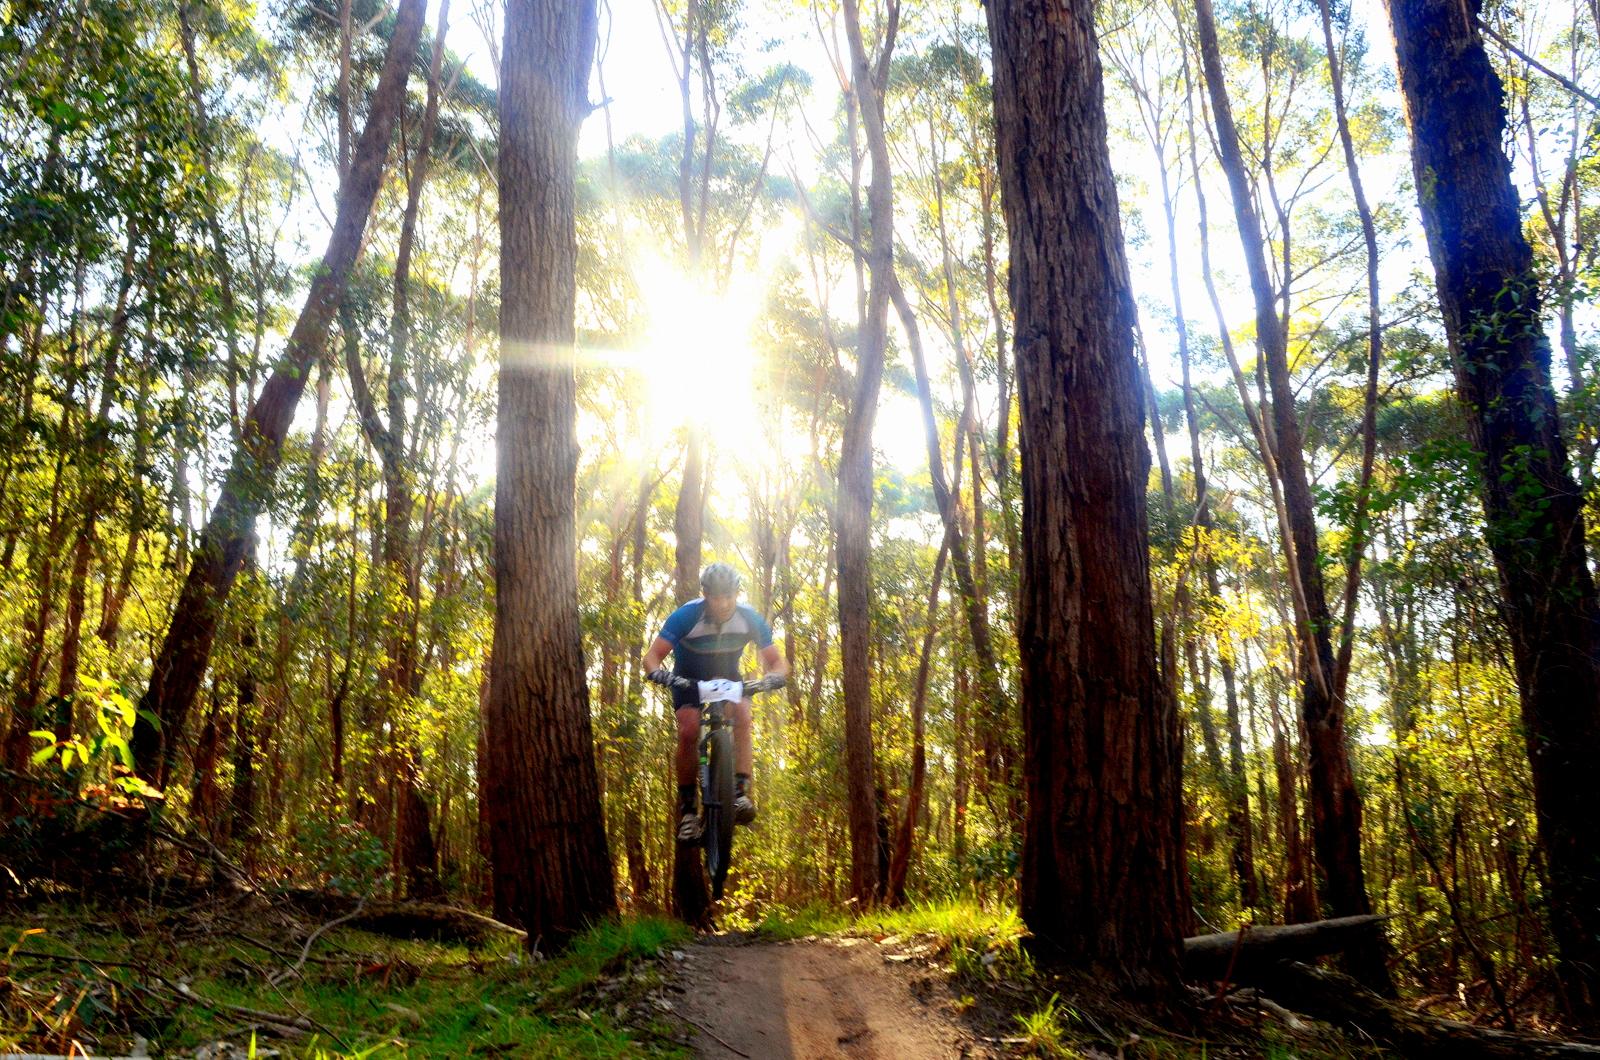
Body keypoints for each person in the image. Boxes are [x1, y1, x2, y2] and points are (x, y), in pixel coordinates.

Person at [643, 562, 789, 842]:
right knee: (688, 729)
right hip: (689, 679)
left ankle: (739, 793)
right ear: (706, 595)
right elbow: (652, 656)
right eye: (716, 597)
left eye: (729, 596)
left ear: (737, 594)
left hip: (727, 677)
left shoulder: (749, 618)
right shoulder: (687, 615)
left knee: (744, 715)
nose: (723, 603)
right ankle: (688, 812)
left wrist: (774, 677)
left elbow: (778, 661)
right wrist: (658, 674)